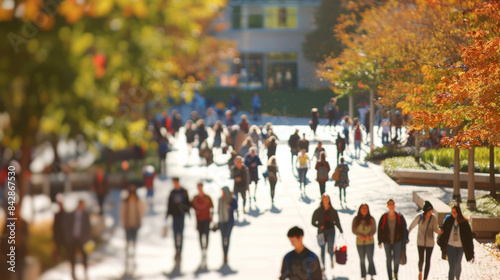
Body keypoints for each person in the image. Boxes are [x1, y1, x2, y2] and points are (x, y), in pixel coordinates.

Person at [437, 205, 474, 280]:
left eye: (454, 212)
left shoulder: (464, 223)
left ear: (458, 213)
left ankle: (457, 278)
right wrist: (442, 243)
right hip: (450, 246)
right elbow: (444, 232)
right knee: (452, 265)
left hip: (460, 247)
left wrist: (471, 252)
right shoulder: (449, 220)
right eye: (452, 212)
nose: (453, 214)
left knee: (457, 263)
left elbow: (469, 238)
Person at [408, 201, 443, 280]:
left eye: (432, 211)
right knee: (421, 259)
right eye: (430, 211)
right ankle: (420, 272)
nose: (431, 212)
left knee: (428, 260)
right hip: (420, 242)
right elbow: (411, 226)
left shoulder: (433, 217)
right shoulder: (419, 217)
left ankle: (425, 278)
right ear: (427, 211)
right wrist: (407, 234)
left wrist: (441, 232)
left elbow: (435, 229)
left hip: (430, 243)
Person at [378, 199, 408, 280]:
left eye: (392, 204)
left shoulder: (399, 216)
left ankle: (395, 273)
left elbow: (404, 228)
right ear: (387, 206)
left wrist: (405, 238)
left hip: (397, 241)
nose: (391, 206)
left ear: (394, 205)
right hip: (386, 241)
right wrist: (379, 241)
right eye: (389, 204)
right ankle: (390, 277)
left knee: (397, 258)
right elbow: (380, 229)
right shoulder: (384, 216)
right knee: (388, 259)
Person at [120, 185, 147, 275]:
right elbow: (122, 212)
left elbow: (143, 208)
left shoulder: (138, 202)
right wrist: (124, 222)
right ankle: (127, 260)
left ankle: (133, 258)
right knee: (128, 243)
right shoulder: (125, 202)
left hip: (135, 225)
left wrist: (140, 218)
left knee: (134, 242)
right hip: (127, 225)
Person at [312, 194, 343, 270]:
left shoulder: (333, 211)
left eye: (327, 199)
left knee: (330, 247)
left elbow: (337, 221)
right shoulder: (318, 211)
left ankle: (331, 258)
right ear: (322, 200)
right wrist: (319, 226)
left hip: (331, 231)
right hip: (321, 232)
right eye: (324, 199)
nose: (326, 200)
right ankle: (323, 265)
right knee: (322, 248)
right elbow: (313, 222)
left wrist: (340, 229)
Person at [65, 200, 91, 280]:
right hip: (73, 238)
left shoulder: (86, 215)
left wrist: (87, 237)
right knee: (72, 256)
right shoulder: (72, 214)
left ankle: (85, 271)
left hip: (82, 239)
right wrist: (68, 237)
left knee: (84, 256)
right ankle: (73, 273)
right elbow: (67, 225)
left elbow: (88, 227)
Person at [166, 177, 190, 264]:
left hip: (181, 216)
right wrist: (168, 214)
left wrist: (187, 212)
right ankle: (177, 250)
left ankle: (180, 251)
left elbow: (187, 203)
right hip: (174, 216)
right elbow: (169, 204)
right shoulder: (172, 192)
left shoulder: (184, 191)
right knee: (175, 234)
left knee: (180, 233)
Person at [191, 183, 214, 267]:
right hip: (199, 220)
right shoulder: (195, 198)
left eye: (201, 187)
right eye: (198, 187)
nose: (200, 189)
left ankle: (206, 249)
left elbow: (212, 207)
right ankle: (202, 250)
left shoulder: (207, 197)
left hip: (206, 220)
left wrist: (211, 217)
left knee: (206, 235)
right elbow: (190, 206)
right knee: (200, 236)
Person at [353, 204, 377, 280]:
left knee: (370, 258)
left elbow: (374, 230)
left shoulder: (371, 219)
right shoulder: (356, 219)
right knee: (362, 259)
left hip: (370, 242)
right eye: (363, 208)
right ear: (360, 209)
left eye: (366, 208)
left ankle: (372, 275)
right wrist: (360, 235)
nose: (364, 210)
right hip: (360, 243)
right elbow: (353, 230)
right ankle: (364, 276)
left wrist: (369, 235)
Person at [218, 187, 238, 265]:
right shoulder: (220, 200)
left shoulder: (232, 199)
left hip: (229, 221)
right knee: (223, 238)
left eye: (223, 192)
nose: (222, 193)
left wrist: (230, 207)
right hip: (222, 221)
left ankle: (226, 253)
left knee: (227, 237)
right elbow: (218, 210)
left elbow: (236, 207)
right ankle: (224, 254)